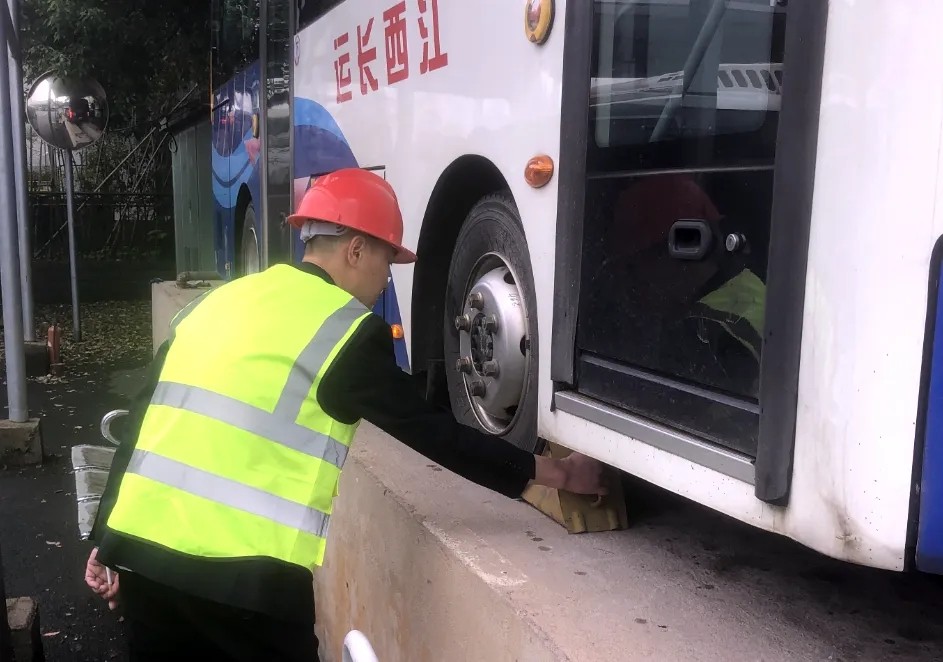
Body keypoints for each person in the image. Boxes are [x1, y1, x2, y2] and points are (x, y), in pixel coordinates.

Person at [84, 168, 608, 662]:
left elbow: (139, 422)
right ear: (356, 250)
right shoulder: (343, 332)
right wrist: (558, 474)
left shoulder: (217, 303)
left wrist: (106, 541)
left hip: (145, 566)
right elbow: (437, 434)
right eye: (386, 262)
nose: (385, 282)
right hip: (246, 590)